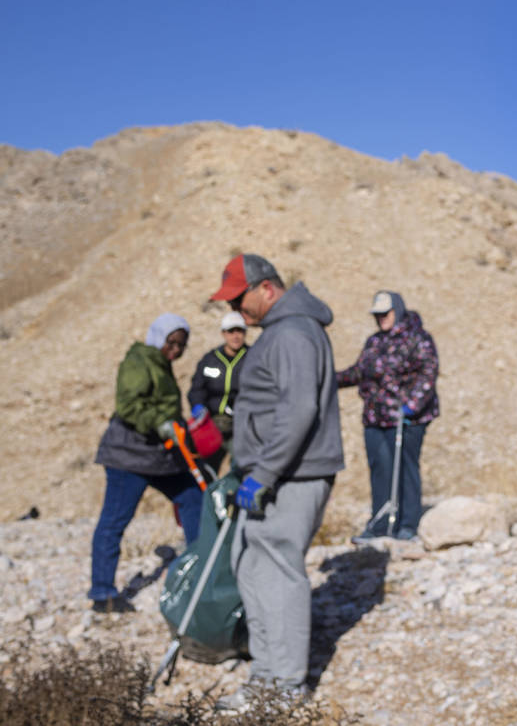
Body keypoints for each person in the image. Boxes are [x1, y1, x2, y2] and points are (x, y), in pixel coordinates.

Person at [209, 253, 345, 712]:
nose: (236, 310)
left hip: (292, 474)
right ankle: (266, 676)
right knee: (251, 567)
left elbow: (298, 409)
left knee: (278, 572)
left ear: (266, 288)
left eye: (239, 298)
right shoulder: (281, 332)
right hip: (272, 473)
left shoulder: (292, 333)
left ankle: (285, 686)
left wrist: (263, 473)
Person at [89, 313, 203, 614]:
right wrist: (161, 423)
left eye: (181, 346)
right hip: (129, 455)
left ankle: (202, 567)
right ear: (159, 337)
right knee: (114, 520)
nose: (176, 351)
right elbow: (129, 405)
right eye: (172, 343)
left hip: (158, 456)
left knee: (193, 499)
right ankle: (102, 592)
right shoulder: (139, 361)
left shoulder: (160, 364)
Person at [336, 290, 439, 542]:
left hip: (407, 420)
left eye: (386, 313)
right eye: (377, 314)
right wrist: (330, 379)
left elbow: (428, 372)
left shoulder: (418, 339)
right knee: (380, 468)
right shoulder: (374, 342)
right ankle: (380, 523)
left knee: (405, 468)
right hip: (375, 417)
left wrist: (411, 406)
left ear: (398, 311)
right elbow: (359, 372)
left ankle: (407, 523)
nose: (381, 318)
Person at [187, 310, 250, 477]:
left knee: (242, 468)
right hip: (213, 424)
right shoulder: (210, 359)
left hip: (241, 425)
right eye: (231, 331)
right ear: (223, 333)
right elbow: (197, 389)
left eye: (239, 331)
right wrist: (198, 407)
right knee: (204, 469)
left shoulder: (252, 358)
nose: (235, 336)